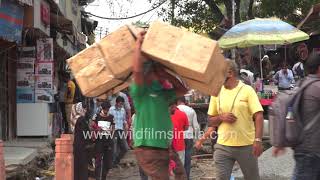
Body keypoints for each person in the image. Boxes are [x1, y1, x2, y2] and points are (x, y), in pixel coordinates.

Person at [130, 31, 188, 179]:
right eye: (156, 72)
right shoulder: (141, 92)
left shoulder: (163, 93)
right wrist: (138, 45)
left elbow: (183, 90)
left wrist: (166, 74)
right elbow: (137, 71)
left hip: (165, 147)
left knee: (181, 175)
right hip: (149, 149)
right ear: (149, 74)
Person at [208, 60, 264, 180]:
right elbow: (210, 120)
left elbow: (258, 115)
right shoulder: (216, 92)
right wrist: (221, 117)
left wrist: (258, 140)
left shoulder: (247, 90)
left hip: (246, 146)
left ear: (230, 73)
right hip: (223, 145)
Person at [273, 53, 320, 180]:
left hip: (302, 146)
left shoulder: (302, 84)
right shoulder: (316, 87)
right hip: (312, 150)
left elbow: (290, 113)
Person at [176, 96, 200, 179]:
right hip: (188, 135)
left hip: (178, 135)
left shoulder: (174, 110)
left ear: (177, 101)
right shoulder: (191, 110)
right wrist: (198, 139)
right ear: (184, 101)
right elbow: (196, 127)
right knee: (187, 157)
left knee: (178, 158)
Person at [92, 101, 115, 180]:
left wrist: (111, 132)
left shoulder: (111, 117)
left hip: (108, 141)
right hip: (99, 141)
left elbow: (113, 127)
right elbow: (92, 124)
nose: (106, 111)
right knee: (98, 160)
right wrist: (97, 128)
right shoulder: (96, 116)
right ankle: (97, 177)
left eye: (107, 109)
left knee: (107, 161)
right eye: (105, 109)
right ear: (102, 108)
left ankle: (104, 177)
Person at [109, 96, 129, 166]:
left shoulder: (123, 110)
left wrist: (126, 125)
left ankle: (116, 161)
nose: (121, 105)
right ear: (116, 103)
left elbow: (124, 120)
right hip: (113, 131)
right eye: (120, 103)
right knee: (113, 149)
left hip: (121, 130)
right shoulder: (111, 109)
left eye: (122, 104)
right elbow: (109, 120)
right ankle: (111, 164)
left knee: (125, 148)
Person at [73, 102, 91, 180]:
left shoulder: (74, 118)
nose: (86, 110)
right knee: (83, 164)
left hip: (76, 143)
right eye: (84, 108)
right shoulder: (81, 119)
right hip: (82, 144)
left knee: (76, 163)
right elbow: (85, 133)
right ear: (80, 109)